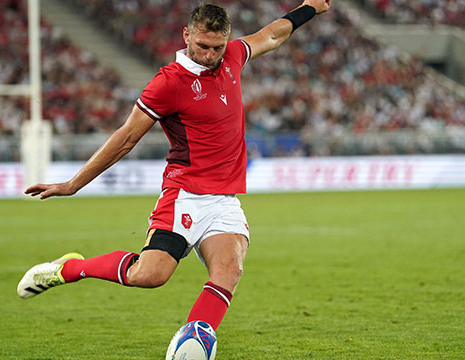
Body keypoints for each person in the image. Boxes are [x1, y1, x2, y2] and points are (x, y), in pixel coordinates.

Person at [17, 0, 331, 333]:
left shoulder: (234, 56)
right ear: (186, 36)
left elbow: (272, 35)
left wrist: (309, 8)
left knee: (229, 269)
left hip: (224, 201)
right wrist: (73, 184)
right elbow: (125, 137)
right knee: (150, 275)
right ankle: (71, 268)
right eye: (202, 46)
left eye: (217, 47)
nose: (210, 55)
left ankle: (197, 338)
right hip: (184, 195)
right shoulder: (168, 83)